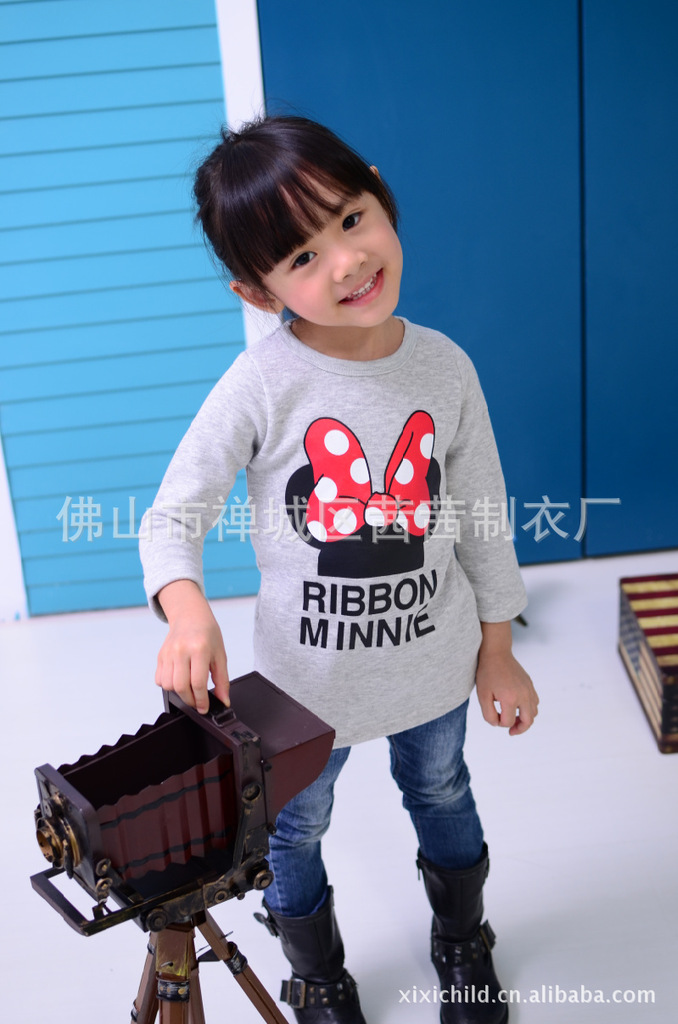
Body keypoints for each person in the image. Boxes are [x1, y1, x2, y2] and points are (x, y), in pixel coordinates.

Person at [139, 116, 539, 1024]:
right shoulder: (263, 384)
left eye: (351, 220)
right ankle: (315, 973)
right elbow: (172, 515)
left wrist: (498, 648)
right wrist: (187, 608)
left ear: (379, 191)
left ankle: (462, 939)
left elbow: (483, 519)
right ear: (257, 289)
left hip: (433, 670)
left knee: (441, 791)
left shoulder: (445, 369)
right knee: (294, 827)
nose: (347, 263)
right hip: (303, 689)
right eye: (303, 258)